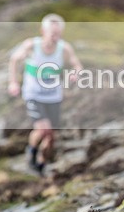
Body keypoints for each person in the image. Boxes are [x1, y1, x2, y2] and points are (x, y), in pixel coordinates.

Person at [8, 14, 82, 175]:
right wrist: (13, 82)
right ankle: (31, 153)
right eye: (52, 33)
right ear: (43, 31)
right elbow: (14, 60)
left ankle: (41, 165)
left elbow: (77, 65)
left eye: (58, 34)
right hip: (33, 95)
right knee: (44, 130)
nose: (55, 37)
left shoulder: (64, 48)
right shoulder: (31, 45)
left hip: (54, 96)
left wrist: (75, 73)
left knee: (51, 137)